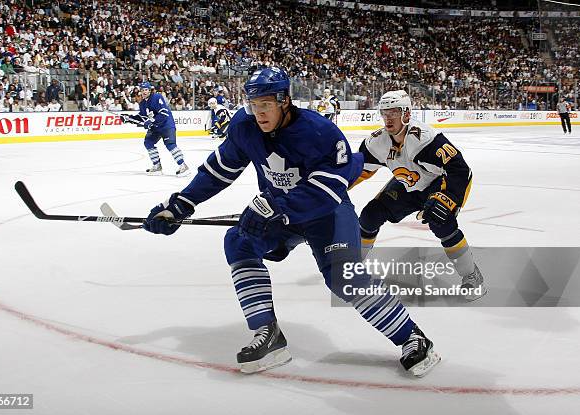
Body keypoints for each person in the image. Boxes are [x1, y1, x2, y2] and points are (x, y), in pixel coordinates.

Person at [142, 68, 440, 377]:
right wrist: (180, 204)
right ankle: (268, 334)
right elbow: (219, 170)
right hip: (280, 212)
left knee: (343, 278)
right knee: (238, 241)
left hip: (326, 213)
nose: (259, 113)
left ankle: (413, 337)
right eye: (253, 105)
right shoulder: (245, 128)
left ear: (285, 101)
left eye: (266, 105)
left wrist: (273, 206)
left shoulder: (320, 132)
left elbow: (326, 191)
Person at [352, 90, 485, 301]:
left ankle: (471, 275)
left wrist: (448, 197)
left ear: (406, 113)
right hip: (407, 185)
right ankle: (355, 269)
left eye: (394, 112)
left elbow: (460, 170)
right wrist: (334, 188)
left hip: (436, 183)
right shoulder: (376, 142)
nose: (388, 117)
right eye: (385, 112)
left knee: (442, 222)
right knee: (370, 215)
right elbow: (360, 171)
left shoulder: (426, 139)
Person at [125, 82, 189, 176]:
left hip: (166, 125)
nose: (144, 92)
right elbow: (142, 117)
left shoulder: (157, 97)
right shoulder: (142, 103)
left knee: (170, 144)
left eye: (146, 90)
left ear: (149, 90)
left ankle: (183, 166)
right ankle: (157, 166)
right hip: (155, 127)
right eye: (142, 90)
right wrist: (128, 118)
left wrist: (151, 122)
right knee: (148, 142)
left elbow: (164, 113)